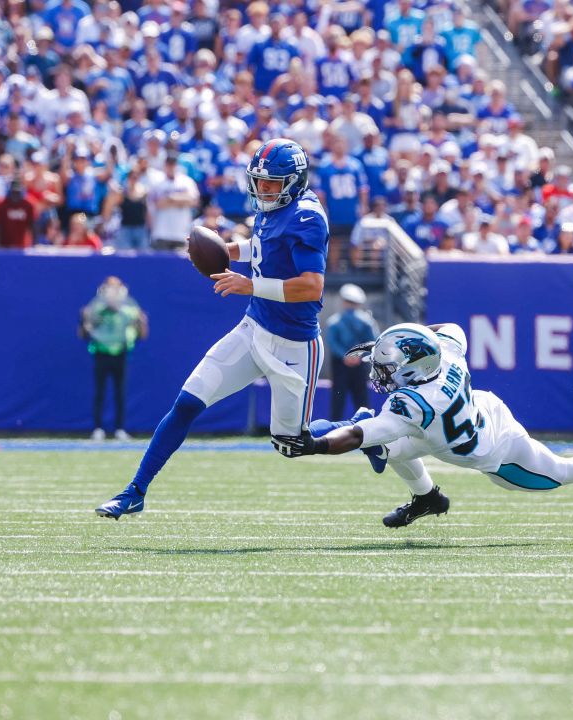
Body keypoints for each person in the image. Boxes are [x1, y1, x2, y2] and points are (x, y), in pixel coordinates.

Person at [96, 138, 329, 519]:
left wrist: (249, 285)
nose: (263, 190)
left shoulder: (307, 216)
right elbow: (265, 246)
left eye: (272, 184)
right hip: (254, 328)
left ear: (295, 181)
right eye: (260, 182)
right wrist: (227, 250)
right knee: (187, 402)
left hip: (295, 345)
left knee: (292, 443)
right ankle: (135, 491)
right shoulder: (274, 211)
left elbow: (311, 285)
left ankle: (360, 427)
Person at [280, 323, 573, 528]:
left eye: (389, 367)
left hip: (497, 451)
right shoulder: (448, 353)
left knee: (561, 472)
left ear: (415, 366)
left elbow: (356, 435)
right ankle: (428, 499)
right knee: (387, 443)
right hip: (473, 413)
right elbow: (445, 330)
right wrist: (394, 340)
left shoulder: (412, 402)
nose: (382, 374)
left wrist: (313, 446)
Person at [80, 277, 148, 442]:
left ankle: (119, 428)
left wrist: (141, 321)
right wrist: (87, 321)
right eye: (110, 288)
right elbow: (83, 332)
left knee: (120, 393)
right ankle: (98, 428)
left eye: (116, 287)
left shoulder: (130, 307)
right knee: (100, 392)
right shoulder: (95, 307)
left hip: (121, 353)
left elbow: (142, 333)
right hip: (101, 352)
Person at [325, 283, 379, 421]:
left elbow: (332, 342)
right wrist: (355, 356)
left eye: (352, 303)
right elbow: (372, 342)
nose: (350, 305)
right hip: (349, 364)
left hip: (349, 363)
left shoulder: (335, 321)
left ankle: (339, 429)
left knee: (354, 399)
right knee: (344, 399)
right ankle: (364, 426)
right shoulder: (367, 321)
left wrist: (349, 356)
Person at [0, 180, 36, 248]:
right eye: (13, 192)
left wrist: (34, 245)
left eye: (17, 193)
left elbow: (33, 226)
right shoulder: (1, 205)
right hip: (5, 247)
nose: (15, 196)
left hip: (23, 247)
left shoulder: (28, 205)